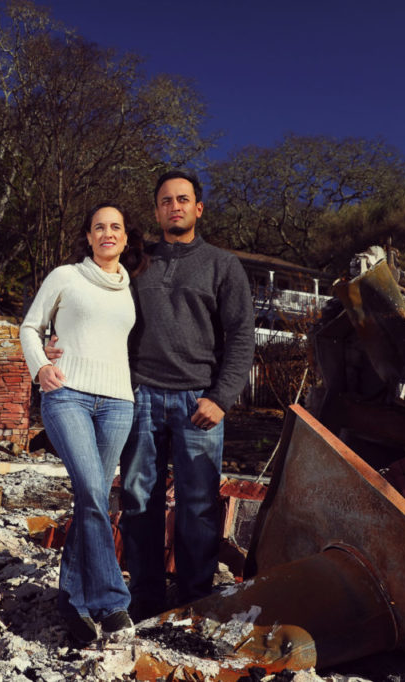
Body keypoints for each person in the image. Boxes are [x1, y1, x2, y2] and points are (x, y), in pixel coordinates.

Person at [120, 170, 255, 619]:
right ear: (156, 210)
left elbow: (240, 338)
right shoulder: (137, 262)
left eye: (183, 199)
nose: (174, 206)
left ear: (198, 208)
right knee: (140, 500)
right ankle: (146, 599)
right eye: (165, 201)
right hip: (140, 397)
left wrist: (222, 397)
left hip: (199, 400)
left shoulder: (223, 265)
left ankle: (194, 598)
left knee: (197, 505)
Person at [19, 202, 145, 646]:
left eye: (116, 227)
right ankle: (112, 602)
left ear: (126, 239)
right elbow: (30, 327)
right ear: (88, 236)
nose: (107, 233)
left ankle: (71, 599)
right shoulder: (66, 276)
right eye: (99, 227)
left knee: (90, 498)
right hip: (67, 394)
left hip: (118, 404)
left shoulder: (133, 289)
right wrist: (39, 367)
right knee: (92, 491)